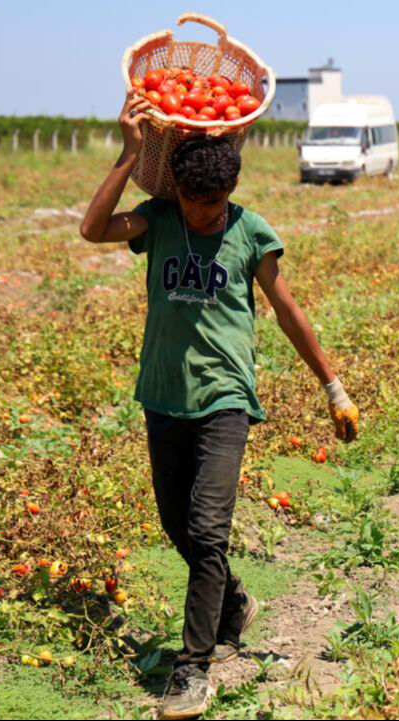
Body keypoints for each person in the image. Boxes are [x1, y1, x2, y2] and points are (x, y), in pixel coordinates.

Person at [79, 91, 360, 720]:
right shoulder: (157, 220)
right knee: (176, 526)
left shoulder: (250, 231)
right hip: (162, 397)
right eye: (194, 202)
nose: (204, 215)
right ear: (176, 189)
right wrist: (128, 153)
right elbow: (93, 229)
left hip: (226, 400)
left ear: (232, 192)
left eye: (215, 204)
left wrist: (332, 386)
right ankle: (232, 601)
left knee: (207, 530)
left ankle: (193, 667)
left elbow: (288, 310)